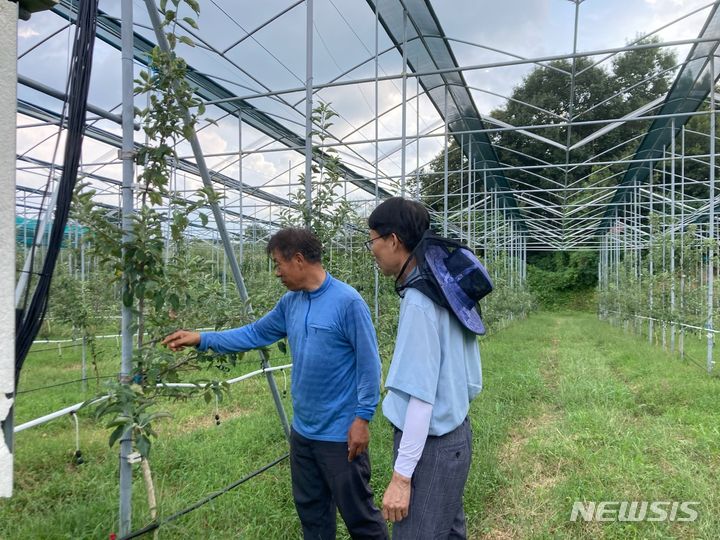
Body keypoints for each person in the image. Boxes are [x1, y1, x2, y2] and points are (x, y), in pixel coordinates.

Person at [163, 227, 388, 540]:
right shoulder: (290, 303)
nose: (277, 273)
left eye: (278, 264)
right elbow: (255, 333)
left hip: (340, 436)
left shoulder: (348, 302)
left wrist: (363, 418)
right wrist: (202, 339)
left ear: (297, 260)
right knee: (313, 517)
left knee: (360, 519)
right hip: (304, 433)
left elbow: (369, 363)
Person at [366, 197, 482, 539]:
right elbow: (470, 379)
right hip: (456, 436)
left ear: (393, 240)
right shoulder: (447, 288)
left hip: (431, 449)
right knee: (448, 532)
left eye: (372, 239)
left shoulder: (419, 301)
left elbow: (420, 397)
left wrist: (402, 478)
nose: (371, 249)